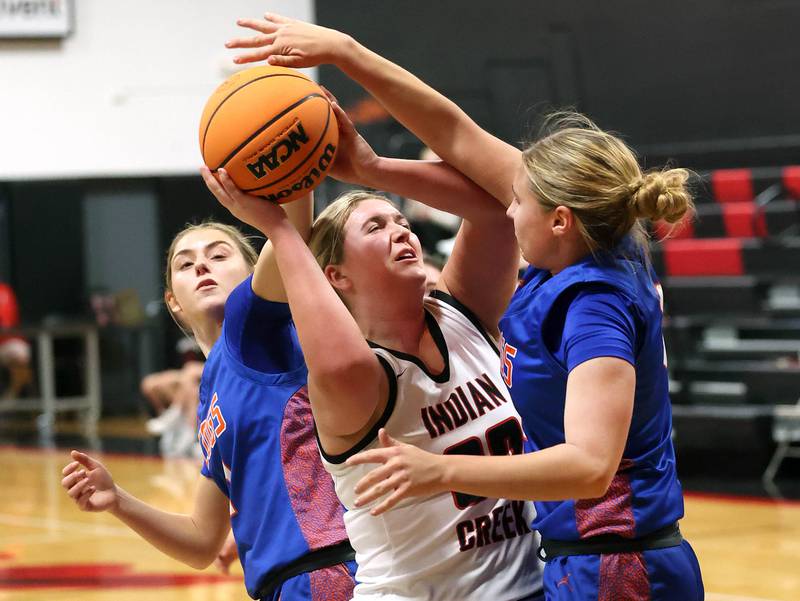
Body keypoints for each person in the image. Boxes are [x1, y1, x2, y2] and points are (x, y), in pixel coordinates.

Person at [226, 14, 704, 600]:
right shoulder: (595, 250)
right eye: (378, 223)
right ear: (336, 276)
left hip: (601, 564)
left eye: (518, 202)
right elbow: (458, 140)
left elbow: (589, 465)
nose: (507, 209)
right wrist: (357, 160)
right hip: (540, 572)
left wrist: (441, 470)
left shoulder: (579, 298)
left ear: (560, 219)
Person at [208, 93, 543, 599]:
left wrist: (372, 169)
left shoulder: (459, 312)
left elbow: (502, 208)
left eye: (401, 221)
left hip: (528, 588)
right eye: (376, 227)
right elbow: (339, 360)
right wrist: (278, 227)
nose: (401, 231)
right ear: (335, 275)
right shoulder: (359, 378)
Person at [61, 198, 357, 600]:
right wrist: (118, 501)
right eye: (185, 264)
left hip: (328, 569)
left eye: (218, 255)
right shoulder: (210, 393)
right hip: (286, 584)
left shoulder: (249, 329)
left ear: (257, 273)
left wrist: (290, 173)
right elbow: (202, 541)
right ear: (173, 303)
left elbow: (289, 230)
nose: (201, 266)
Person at [0, 282, 32, 400]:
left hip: (8, 341)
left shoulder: (2, 291)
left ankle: (13, 397)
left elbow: (6, 324)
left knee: (19, 353)